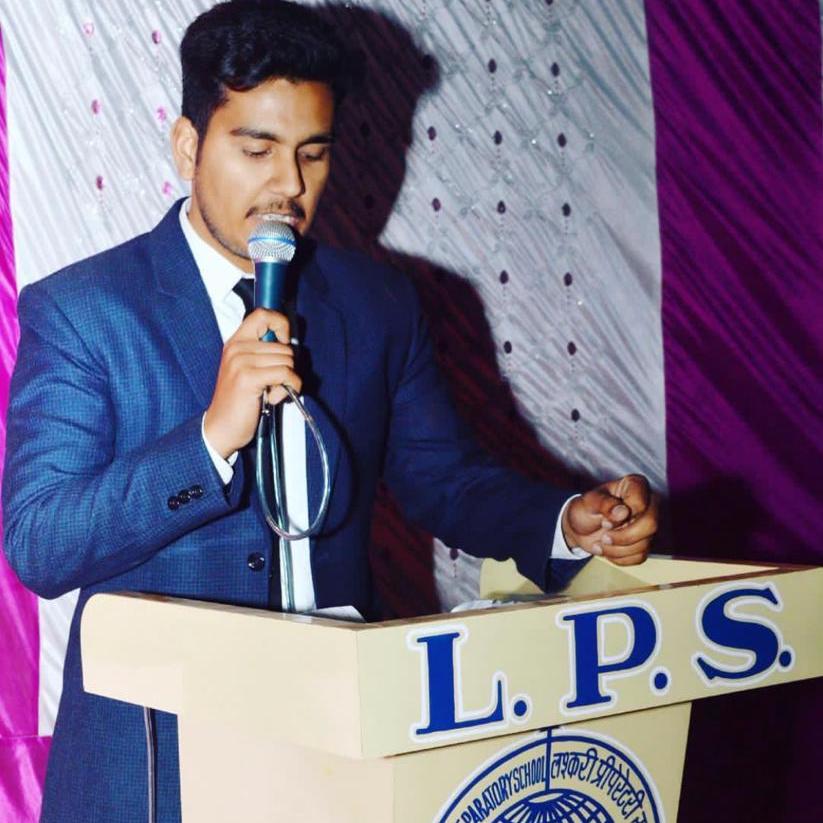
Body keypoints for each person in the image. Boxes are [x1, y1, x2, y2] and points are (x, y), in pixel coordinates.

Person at [2, 1, 658, 820]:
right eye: (256, 150)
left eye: (312, 153)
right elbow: (40, 543)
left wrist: (565, 521)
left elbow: (444, 482)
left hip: (336, 759)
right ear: (187, 146)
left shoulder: (378, 303)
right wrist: (208, 440)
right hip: (154, 769)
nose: (288, 185)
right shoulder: (84, 309)